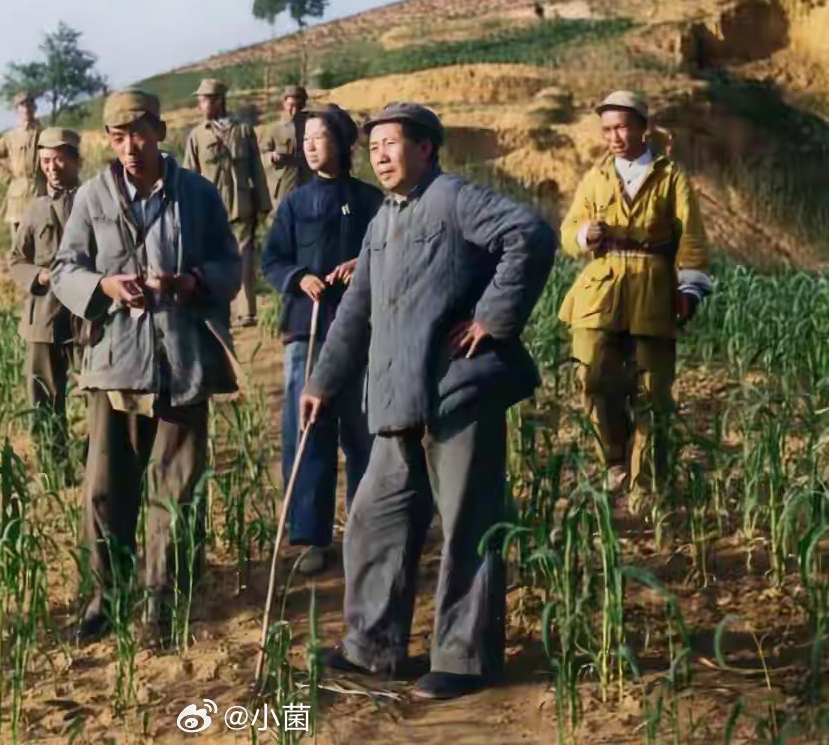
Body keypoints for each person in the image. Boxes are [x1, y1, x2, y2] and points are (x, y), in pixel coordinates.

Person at [300, 102, 556, 700]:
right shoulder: (380, 222)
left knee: (470, 524)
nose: (381, 155)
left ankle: (465, 660)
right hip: (394, 398)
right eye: (375, 146)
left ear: (426, 149)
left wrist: (492, 317)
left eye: (393, 143)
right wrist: (321, 382)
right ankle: (371, 648)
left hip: (455, 392)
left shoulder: (454, 198)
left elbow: (530, 235)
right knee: (371, 521)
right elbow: (355, 312)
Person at [51, 89, 242, 643]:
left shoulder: (199, 196)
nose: (129, 147)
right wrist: (105, 285)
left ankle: (162, 601)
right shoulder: (91, 198)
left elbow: (230, 263)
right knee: (105, 491)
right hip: (115, 366)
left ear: (159, 131)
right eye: (117, 137)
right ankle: (105, 597)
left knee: (176, 488)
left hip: (182, 361)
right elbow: (65, 269)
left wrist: (193, 282)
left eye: (138, 134)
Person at [559, 90, 712, 496]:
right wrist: (583, 234)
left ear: (644, 127)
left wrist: (690, 288)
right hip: (599, 290)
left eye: (623, 126)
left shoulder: (670, 176)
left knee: (653, 392)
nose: (614, 136)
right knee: (592, 378)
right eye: (607, 129)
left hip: (652, 289)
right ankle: (613, 459)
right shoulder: (594, 178)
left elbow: (692, 237)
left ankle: (648, 484)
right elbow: (568, 233)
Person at [261, 104, 381, 576]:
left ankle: (366, 527)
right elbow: (271, 260)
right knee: (308, 429)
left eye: (318, 137)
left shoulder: (370, 200)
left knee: (362, 428)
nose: (309, 146)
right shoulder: (294, 203)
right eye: (304, 139)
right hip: (305, 326)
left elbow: (385, 249)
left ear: (344, 143)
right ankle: (310, 535)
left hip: (359, 329)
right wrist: (298, 278)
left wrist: (360, 265)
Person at [183, 78, 271, 327]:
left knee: (243, 260)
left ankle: (247, 312)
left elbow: (257, 169)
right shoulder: (197, 137)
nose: (201, 106)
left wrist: (263, 204)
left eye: (205, 100)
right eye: (200, 101)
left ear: (219, 101)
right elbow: (189, 174)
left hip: (242, 206)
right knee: (212, 262)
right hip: (209, 211)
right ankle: (219, 311)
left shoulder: (243, 131)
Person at [9, 127, 83, 423]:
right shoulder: (34, 210)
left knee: (101, 395)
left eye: (59, 159)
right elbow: (16, 260)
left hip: (88, 315)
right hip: (45, 317)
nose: (51, 168)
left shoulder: (94, 201)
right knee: (44, 401)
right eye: (45, 161)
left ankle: (98, 464)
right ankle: (53, 466)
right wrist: (40, 276)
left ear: (77, 160)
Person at [0, 90, 44, 242]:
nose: (26, 108)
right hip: (17, 199)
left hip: (41, 195)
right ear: (16, 110)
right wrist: (7, 178)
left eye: (29, 104)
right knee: (20, 250)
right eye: (21, 105)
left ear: (35, 107)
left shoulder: (46, 134)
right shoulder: (11, 137)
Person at [259, 84, 310, 207]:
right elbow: (261, 153)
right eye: (291, 105)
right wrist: (272, 156)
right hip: (282, 184)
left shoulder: (311, 126)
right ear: (284, 104)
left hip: (307, 181)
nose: (294, 110)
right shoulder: (274, 129)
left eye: (298, 106)